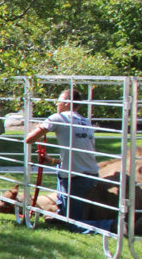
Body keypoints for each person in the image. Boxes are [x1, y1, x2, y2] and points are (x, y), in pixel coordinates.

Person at [24, 89, 98, 224]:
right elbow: (83, 153)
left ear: (67, 103)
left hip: (75, 177)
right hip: (90, 174)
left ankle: (112, 226)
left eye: (59, 101)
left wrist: (38, 126)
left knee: (74, 224)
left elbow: (29, 139)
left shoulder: (59, 118)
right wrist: (53, 161)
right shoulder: (86, 121)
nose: (57, 104)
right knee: (71, 212)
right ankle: (61, 215)